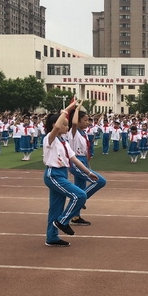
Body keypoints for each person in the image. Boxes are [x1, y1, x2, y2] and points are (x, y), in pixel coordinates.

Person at [43, 102, 98, 247]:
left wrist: (88, 172)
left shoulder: (64, 142)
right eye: (65, 124)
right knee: (80, 195)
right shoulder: (50, 138)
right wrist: (67, 109)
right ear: (56, 124)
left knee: (56, 208)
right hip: (53, 174)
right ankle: (62, 221)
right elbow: (56, 127)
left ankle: (51, 237)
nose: (67, 127)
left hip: (62, 174)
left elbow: (74, 159)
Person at [67, 102, 107, 226]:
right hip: (76, 162)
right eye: (85, 120)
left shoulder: (83, 133)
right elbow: (74, 123)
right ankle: (81, 199)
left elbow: (85, 151)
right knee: (100, 181)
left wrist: (88, 165)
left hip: (83, 161)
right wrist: (77, 108)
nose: (88, 122)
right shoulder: (73, 132)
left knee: (79, 188)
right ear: (78, 121)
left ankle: (75, 216)